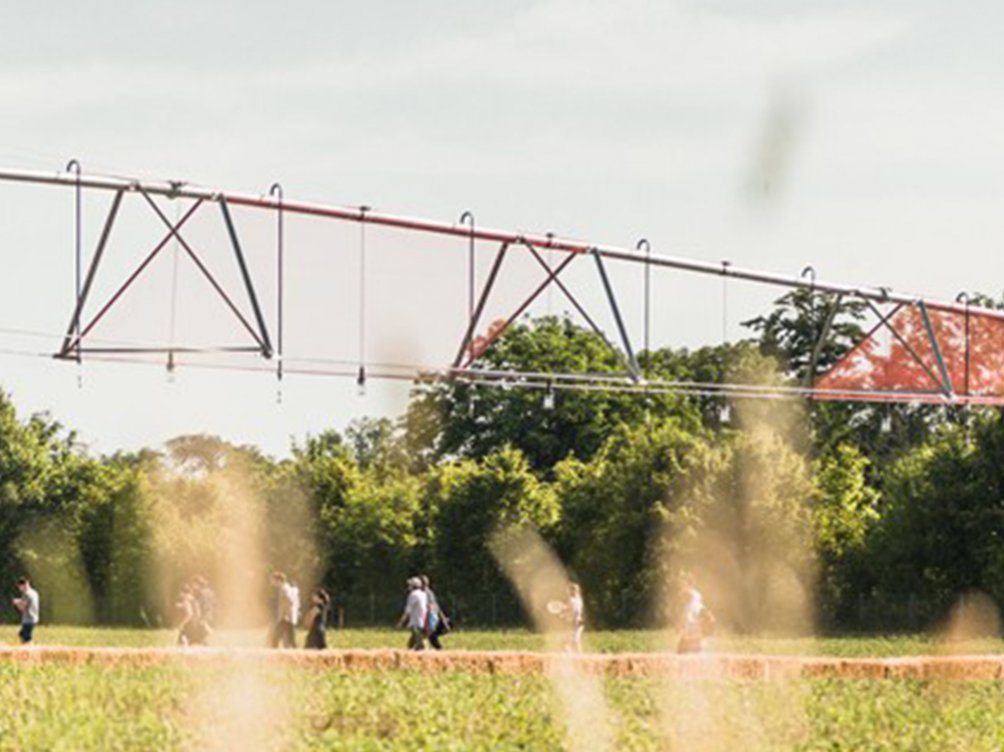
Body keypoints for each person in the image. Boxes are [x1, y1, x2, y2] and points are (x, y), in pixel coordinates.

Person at [677, 573, 711, 653]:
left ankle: (699, 646)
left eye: (684, 583)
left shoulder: (693, 595)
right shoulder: (696, 596)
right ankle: (700, 646)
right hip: (693, 625)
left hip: (692, 625)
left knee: (683, 648)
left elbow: (686, 594)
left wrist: (708, 615)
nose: (682, 585)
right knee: (686, 647)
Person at [397, 577, 428, 650]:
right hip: (423, 621)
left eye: (410, 585)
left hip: (415, 622)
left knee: (418, 644)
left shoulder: (413, 595)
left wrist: (401, 622)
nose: (408, 587)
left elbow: (408, 611)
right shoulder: (423, 594)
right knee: (412, 643)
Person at [420, 574, 449, 650]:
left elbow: (432, 606)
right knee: (430, 636)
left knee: (429, 635)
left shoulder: (425, 593)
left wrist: (442, 618)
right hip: (432, 616)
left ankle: (437, 650)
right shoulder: (430, 592)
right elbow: (436, 606)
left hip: (429, 616)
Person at [269, 571, 297, 648]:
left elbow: (290, 601)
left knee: (276, 637)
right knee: (290, 637)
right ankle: (296, 650)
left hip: (285, 617)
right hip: (286, 617)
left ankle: (274, 651)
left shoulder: (284, 589)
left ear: (278, 580)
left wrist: (286, 613)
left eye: (273, 580)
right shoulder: (285, 587)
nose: (272, 582)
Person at [12, 577, 39, 645]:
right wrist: (20, 601)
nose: (20, 589)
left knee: (26, 638)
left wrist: (16, 603)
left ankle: (29, 651)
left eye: (19, 587)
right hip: (34, 617)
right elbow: (28, 602)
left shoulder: (26, 594)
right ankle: (24, 649)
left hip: (28, 619)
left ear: (23, 585)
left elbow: (23, 608)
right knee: (21, 634)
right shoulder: (34, 592)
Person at [565, 582, 584, 653]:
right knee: (573, 640)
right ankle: (576, 655)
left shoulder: (573, 600)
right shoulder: (579, 600)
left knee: (573, 640)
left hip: (576, 622)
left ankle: (576, 655)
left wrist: (565, 611)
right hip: (576, 622)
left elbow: (574, 611)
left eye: (571, 590)